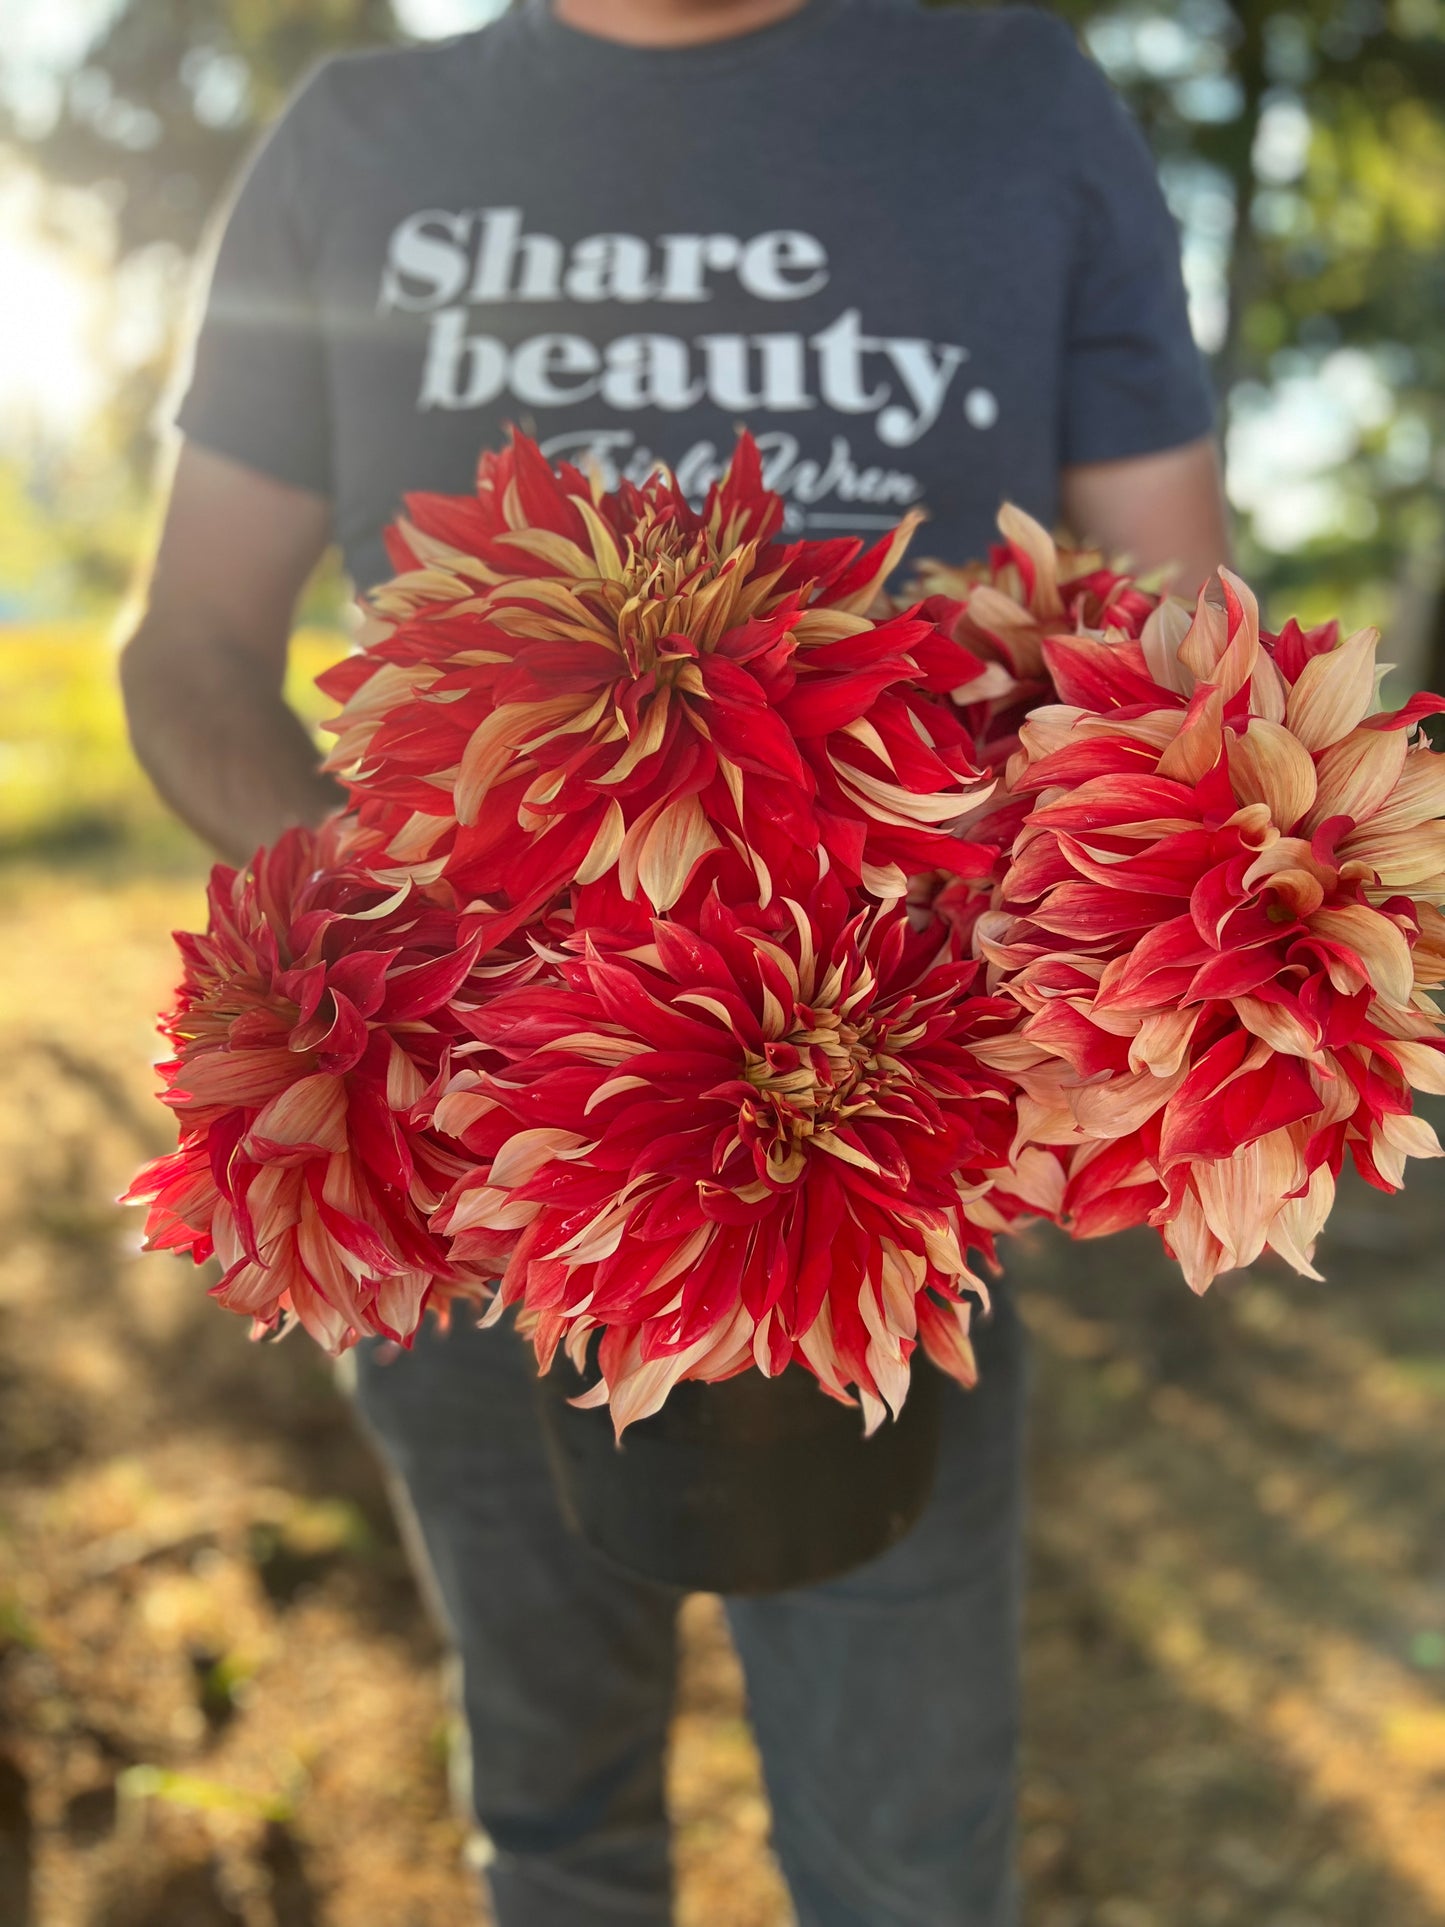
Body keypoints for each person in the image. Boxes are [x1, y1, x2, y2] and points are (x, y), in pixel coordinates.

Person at [120, 3, 1231, 1922]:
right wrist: (368, 925)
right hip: (475, 1160)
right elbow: (192, 643)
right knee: (555, 1830)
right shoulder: (357, 136)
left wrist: (1111, 981)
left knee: (906, 1857)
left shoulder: (1017, 102)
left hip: (890, 1154)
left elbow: (1178, 635)